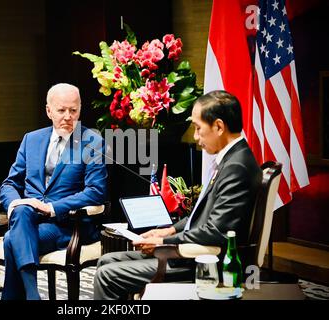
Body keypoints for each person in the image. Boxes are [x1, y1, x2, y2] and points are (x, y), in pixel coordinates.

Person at [94, 90, 262, 300]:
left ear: (219, 126)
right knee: (107, 261)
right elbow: (200, 218)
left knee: (107, 275)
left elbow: (215, 231)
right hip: (192, 251)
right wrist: (168, 231)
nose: (195, 137)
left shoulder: (237, 166)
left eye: (198, 128)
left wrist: (164, 243)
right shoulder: (233, 160)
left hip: (202, 261)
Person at [0, 83, 108, 300]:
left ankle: (28, 294)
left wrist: (51, 208)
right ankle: (32, 294)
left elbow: (96, 191)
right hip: (29, 220)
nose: (68, 116)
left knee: (11, 239)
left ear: (80, 110)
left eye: (73, 110)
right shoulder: (32, 139)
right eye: (61, 110)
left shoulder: (92, 142)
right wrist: (16, 203)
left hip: (67, 225)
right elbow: (9, 184)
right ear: (49, 111)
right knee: (21, 211)